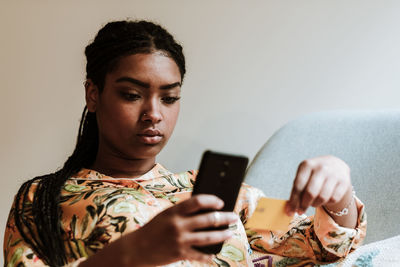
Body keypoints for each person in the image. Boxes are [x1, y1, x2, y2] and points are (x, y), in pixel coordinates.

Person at [3, 20, 366, 267]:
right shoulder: (44, 199)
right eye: (131, 95)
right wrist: (135, 252)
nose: (153, 113)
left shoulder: (219, 196)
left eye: (169, 98)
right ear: (93, 94)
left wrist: (339, 194)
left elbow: (318, 246)